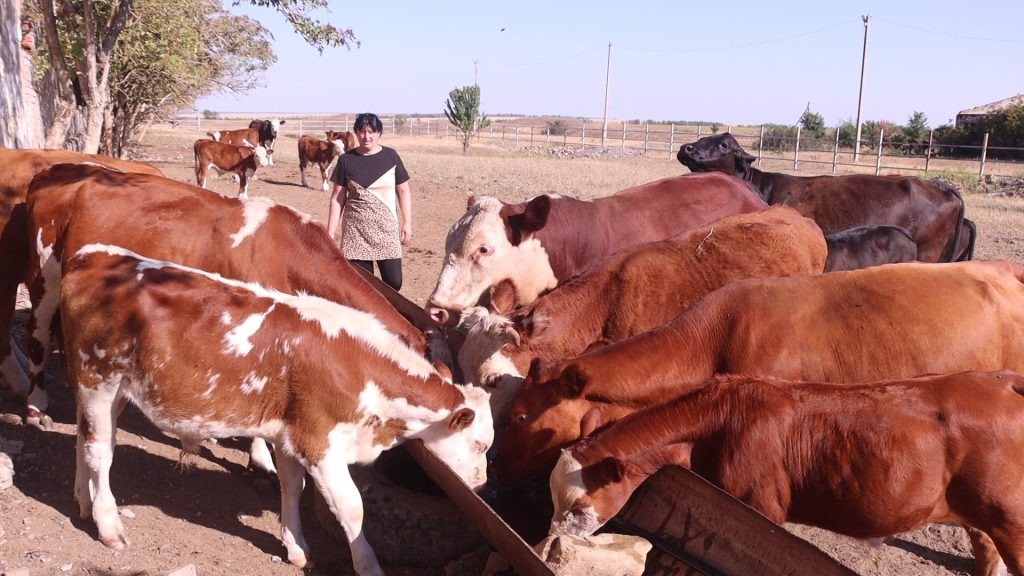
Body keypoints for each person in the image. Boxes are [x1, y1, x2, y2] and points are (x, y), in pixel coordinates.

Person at [327, 113, 413, 291]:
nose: (366, 137)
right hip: (356, 232)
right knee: (364, 287)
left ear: (379, 133)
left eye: (371, 131)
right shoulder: (346, 160)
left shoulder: (391, 157)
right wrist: (330, 233)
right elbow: (337, 198)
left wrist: (407, 223)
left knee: (394, 283)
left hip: (386, 229)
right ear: (356, 133)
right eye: (362, 131)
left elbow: (403, 190)